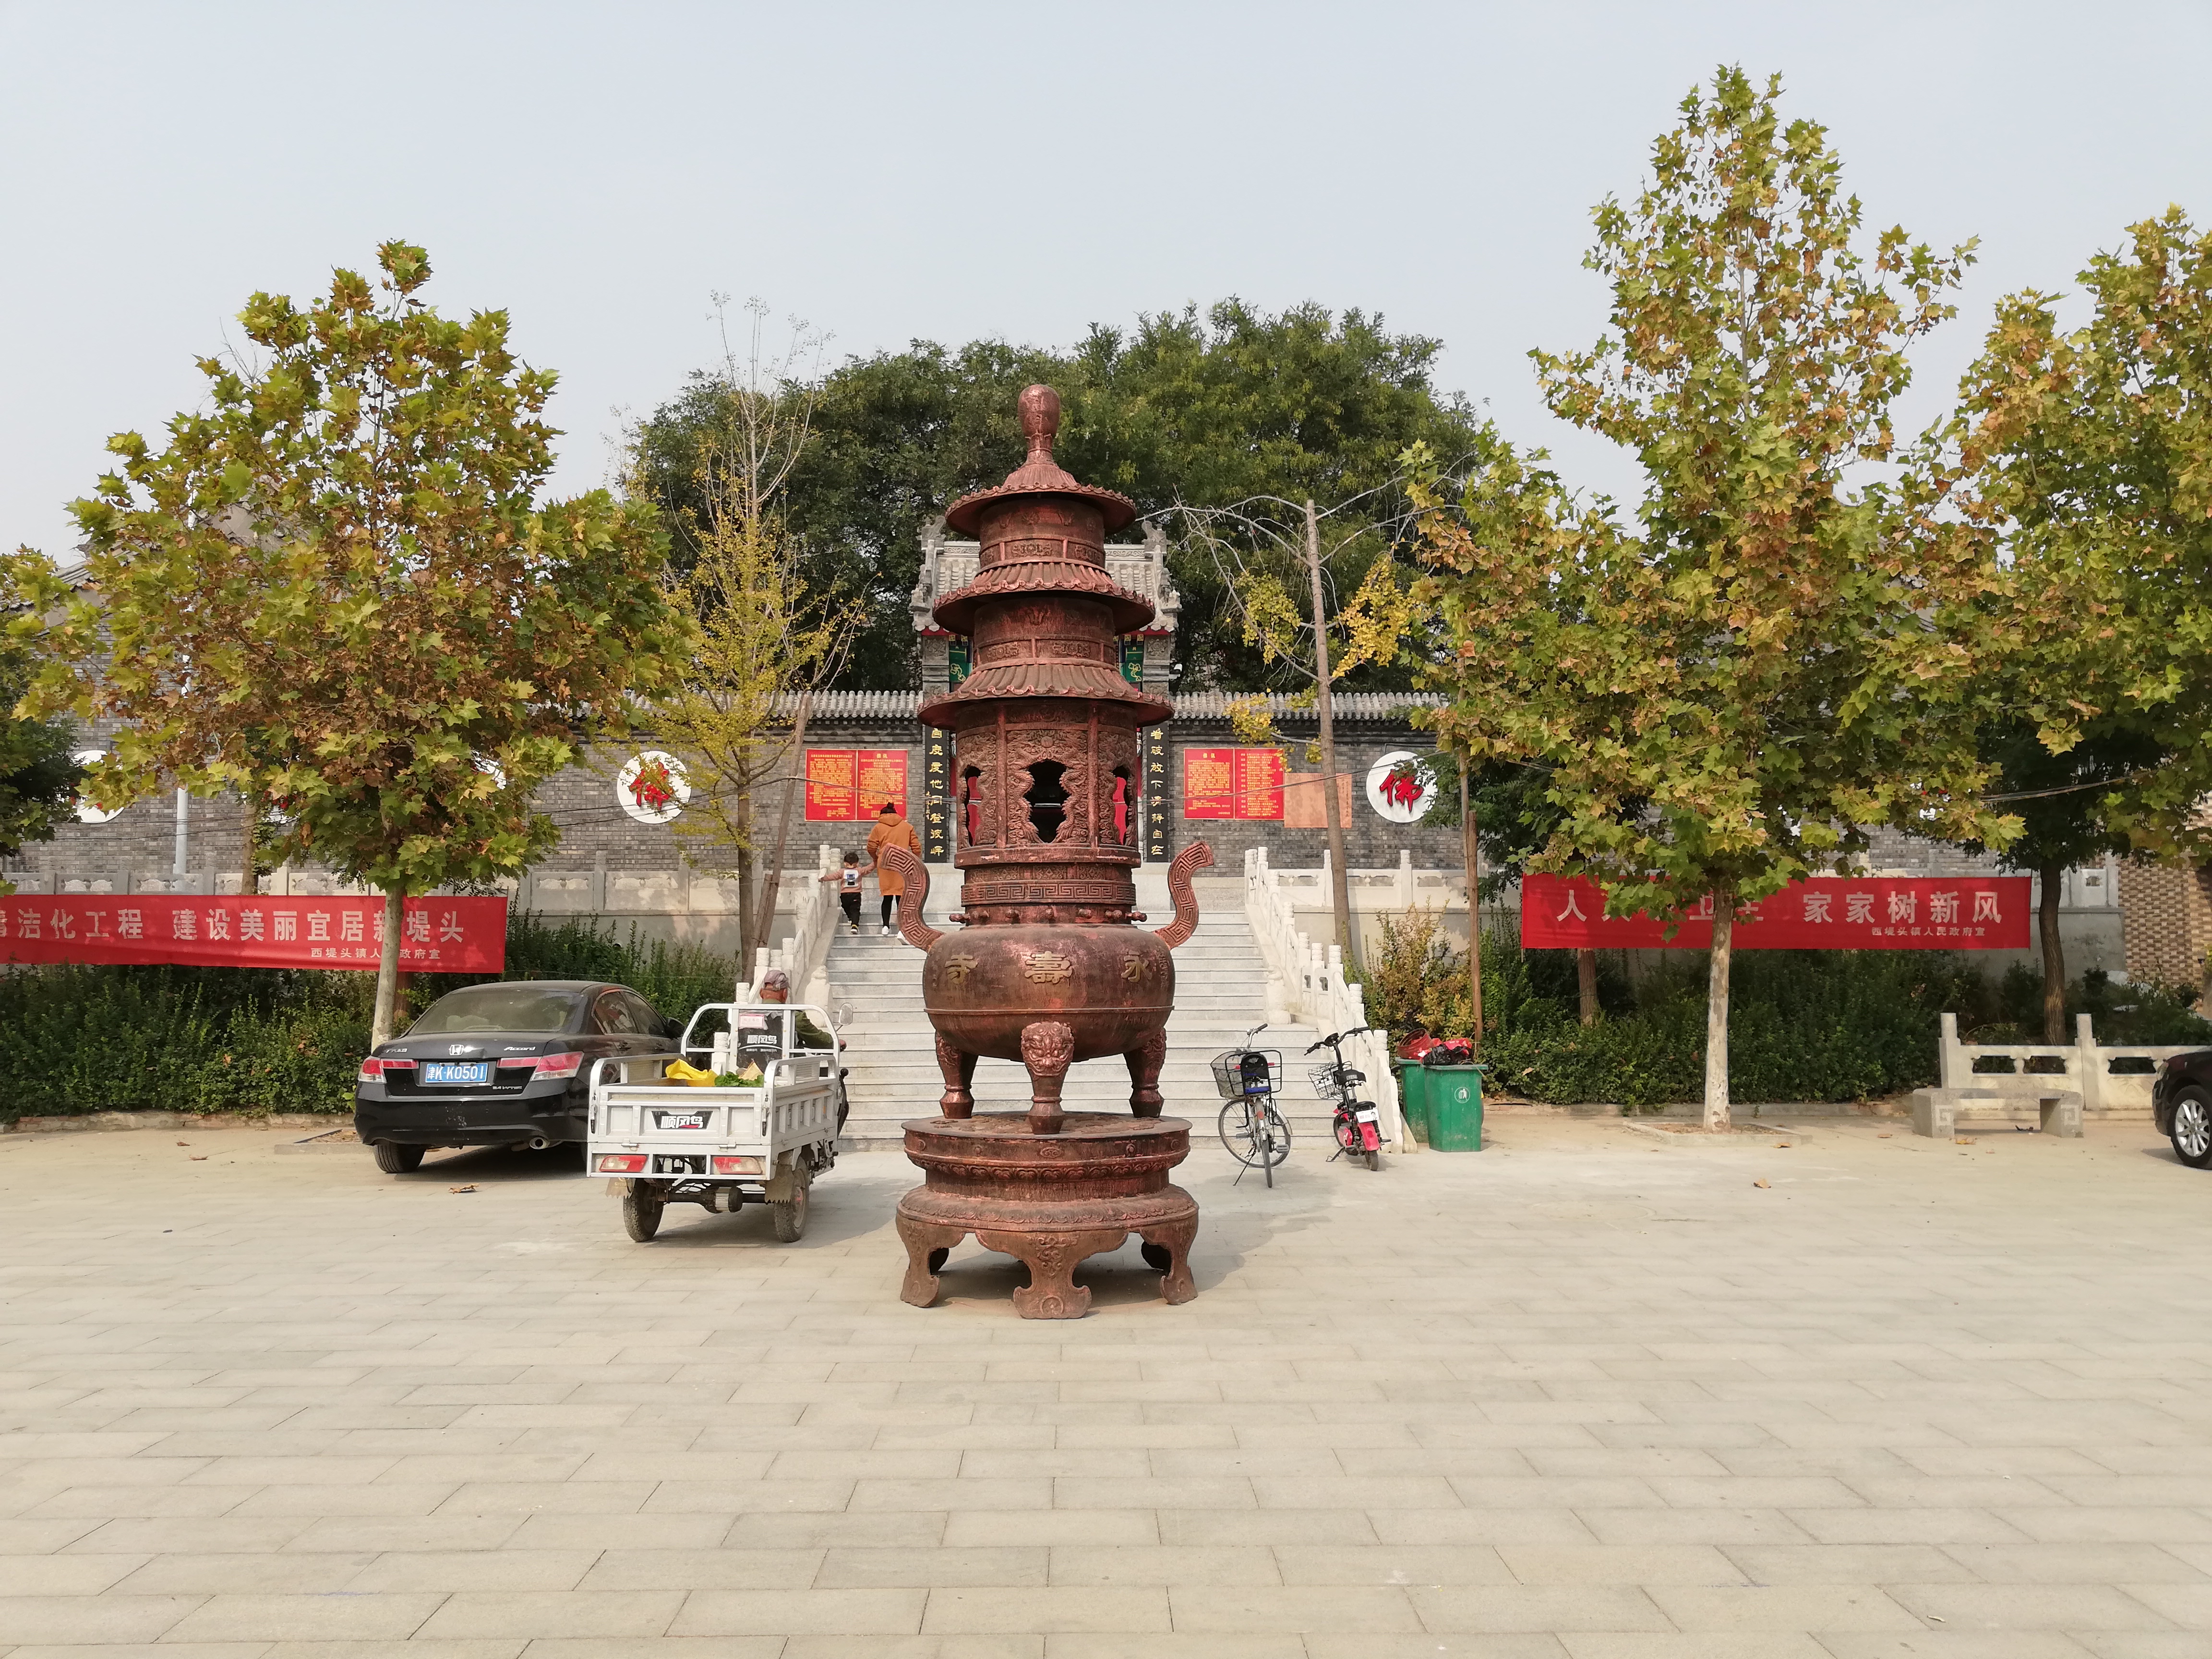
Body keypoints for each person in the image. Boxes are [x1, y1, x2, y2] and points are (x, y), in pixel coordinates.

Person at [865, 801, 922, 937]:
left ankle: (886, 926)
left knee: (887, 896)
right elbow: (917, 847)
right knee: (902, 898)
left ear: (882, 815)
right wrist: (914, 860)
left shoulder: (878, 827)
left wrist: (876, 858)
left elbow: (871, 847)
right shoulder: (907, 826)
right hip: (903, 864)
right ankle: (903, 929)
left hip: (886, 864)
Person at [820, 849, 870, 934]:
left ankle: (854, 924)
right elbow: (869, 869)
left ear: (845, 864)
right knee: (854, 909)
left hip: (845, 895)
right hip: (855, 894)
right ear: (857, 863)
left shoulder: (842, 872)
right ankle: (853, 920)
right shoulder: (860, 871)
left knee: (848, 907)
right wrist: (876, 862)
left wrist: (824, 878)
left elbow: (833, 876)